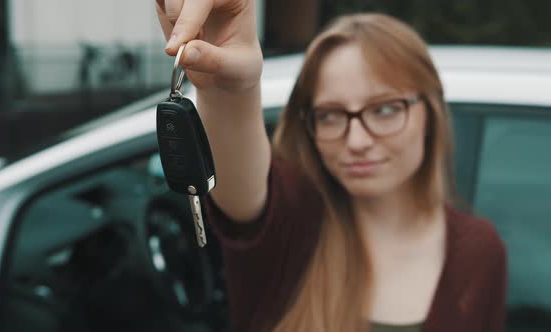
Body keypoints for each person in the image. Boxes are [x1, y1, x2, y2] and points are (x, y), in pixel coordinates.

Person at [155, 1, 507, 331]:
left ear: (430, 112)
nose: (357, 141)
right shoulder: (294, 217)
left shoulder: (478, 250)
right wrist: (227, 91)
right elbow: (240, 183)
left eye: (385, 109)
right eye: (331, 115)